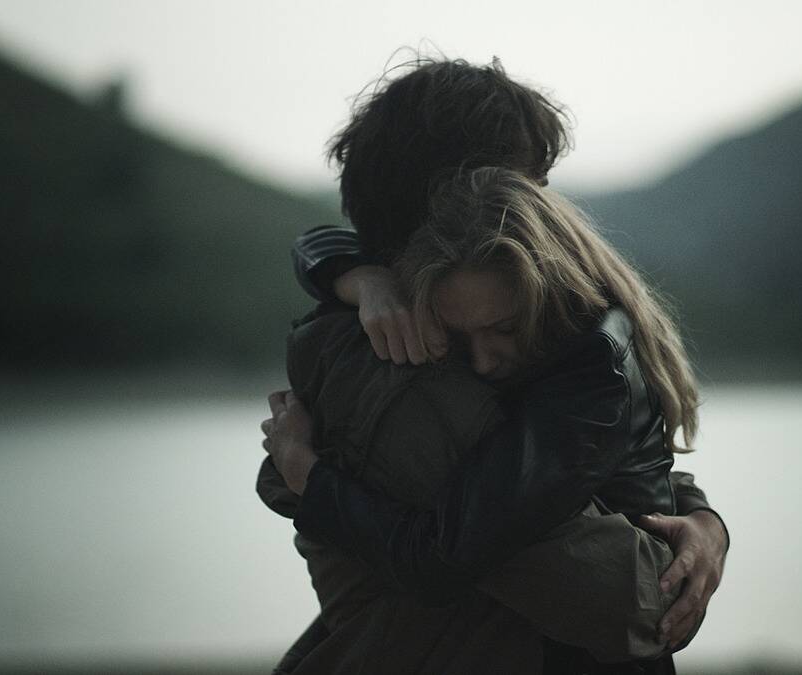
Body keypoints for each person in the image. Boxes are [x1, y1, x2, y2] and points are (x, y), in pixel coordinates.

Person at [262, 57, 728, 671]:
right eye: (527, 182)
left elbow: (593, 454)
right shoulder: (400, 365)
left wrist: (699, 517)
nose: (538, 211)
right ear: (457, 201)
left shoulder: (518, 338)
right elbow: (632, 605)